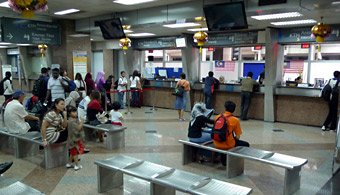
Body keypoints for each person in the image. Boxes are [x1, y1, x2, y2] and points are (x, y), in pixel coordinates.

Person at [213, 101, 249, 166]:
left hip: (216, 142)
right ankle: (234, 161)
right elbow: (237, 136)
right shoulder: (235, 120)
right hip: (228, 145)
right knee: (246, 144)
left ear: (225, 108)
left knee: (224, 140)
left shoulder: (217, 117)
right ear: (234, 110)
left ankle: (223, 160)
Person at [66, 106, 85, 171]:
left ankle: (69, 163)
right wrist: (82, 122)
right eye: (73, 112)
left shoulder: (71, 120)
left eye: (75, 111)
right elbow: (79, 128)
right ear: (69, 113)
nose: (75, 113)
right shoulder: (71, 121)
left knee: (72, 152)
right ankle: (76, 165)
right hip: (73, 140)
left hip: (71, 139)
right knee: (75, 153)